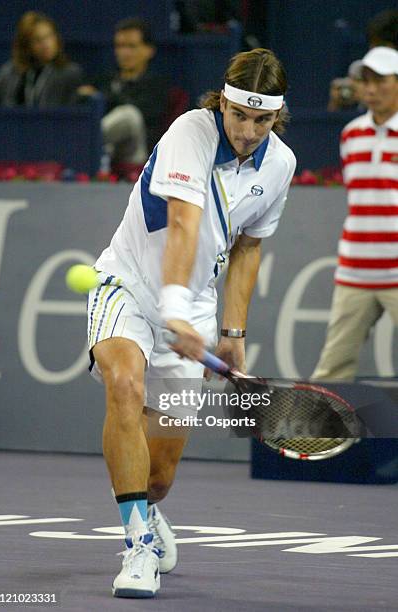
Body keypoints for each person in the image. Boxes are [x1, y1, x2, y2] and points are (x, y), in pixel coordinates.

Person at [87, 47, 295, 598]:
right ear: (221, 101)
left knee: (159, 476)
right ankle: (136, 548)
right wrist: (172, 310)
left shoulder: (280, 166)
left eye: (262, 119)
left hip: (197, 308)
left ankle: (147, 511)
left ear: (278, 115)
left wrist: (231, 335)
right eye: (239, 114)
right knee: (124, 385)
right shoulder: (190, 131)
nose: (248, 130)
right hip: (127, 285)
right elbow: (183, 223)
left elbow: (248, 247)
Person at [313, 46, 398, 381]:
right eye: (365, 81)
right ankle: (326, 437)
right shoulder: (350, 135)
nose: (371, 89)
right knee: (332, 371)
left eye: (380, 80)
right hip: (355, 272)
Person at [79, 18, 169, 164]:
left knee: (129, 114)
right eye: (120, 46)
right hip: (105, 149)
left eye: (131, 46)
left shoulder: (156, 84)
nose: (124, 52)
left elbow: (144, 113)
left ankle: (82, 142)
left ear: (149, 50)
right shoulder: (105, 80)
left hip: (137, 154)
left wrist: (104, 98)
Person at [0, 11, 83, 107]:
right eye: (38, 40)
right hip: (12, 121)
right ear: (27, 45)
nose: (46, 45)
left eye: (49, 36)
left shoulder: (70, 73)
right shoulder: (11, 71)